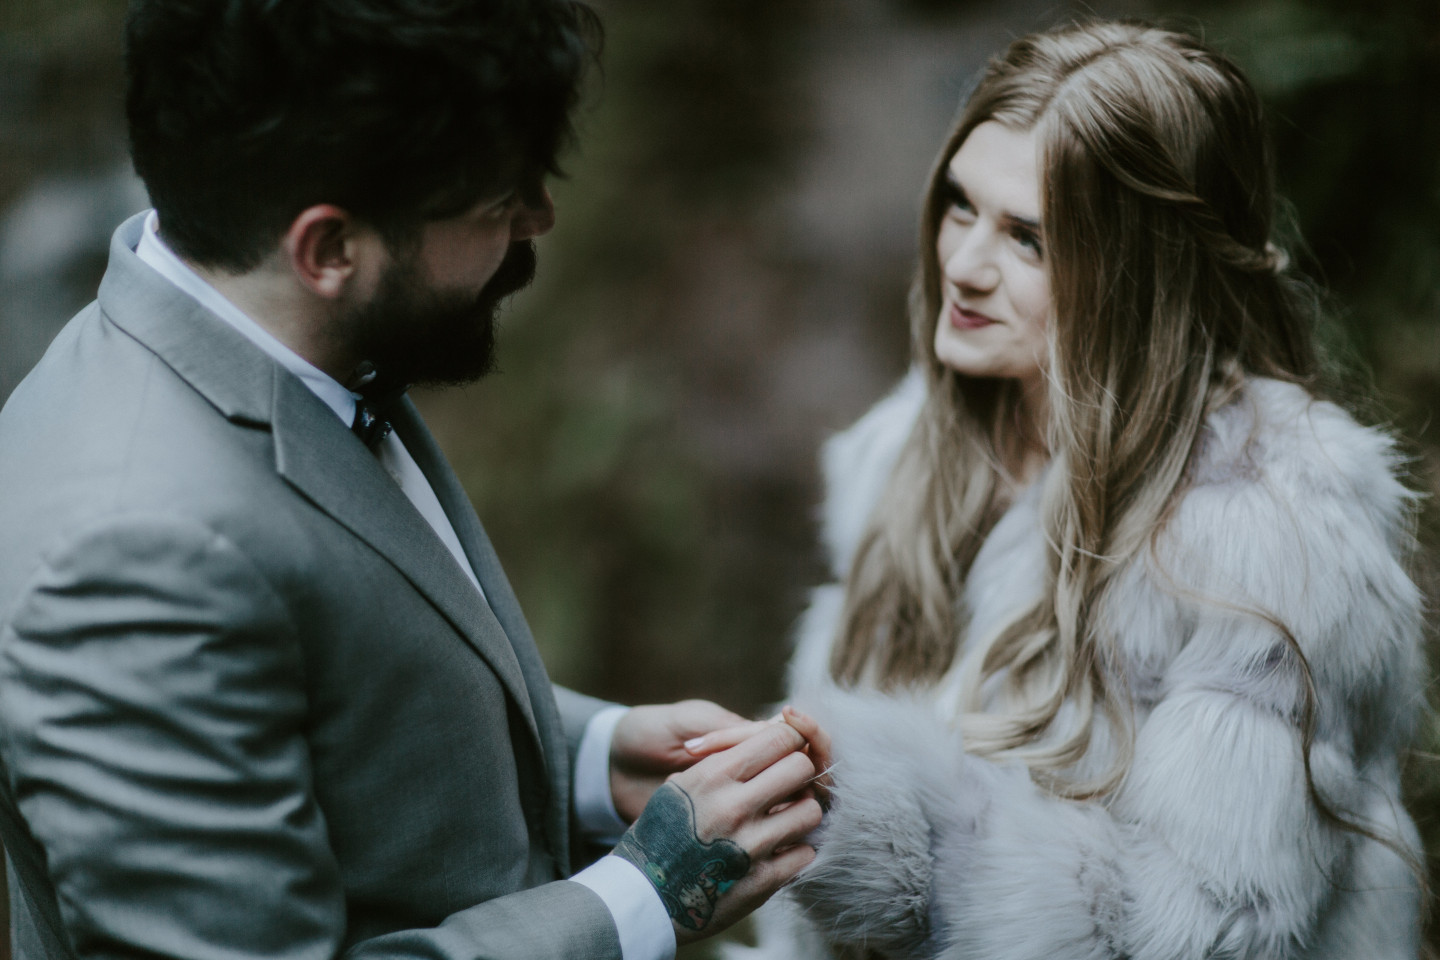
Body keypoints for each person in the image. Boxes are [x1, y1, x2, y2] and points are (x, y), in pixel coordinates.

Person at [0, 1, 828, 958]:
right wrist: (644, 895)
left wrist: (593, 762)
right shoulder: (129, 554)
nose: (539, 218)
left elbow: (332, 687)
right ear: (329, 249)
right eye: (495, 205)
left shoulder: (277, 329)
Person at [731, 19, 1426, 960]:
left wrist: (885, 833)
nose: (965, 265)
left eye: (1028, 238)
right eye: (959, 206)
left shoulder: (1273, 528)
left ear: (1139, 272)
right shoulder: (903, 457)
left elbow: (1212, 929)